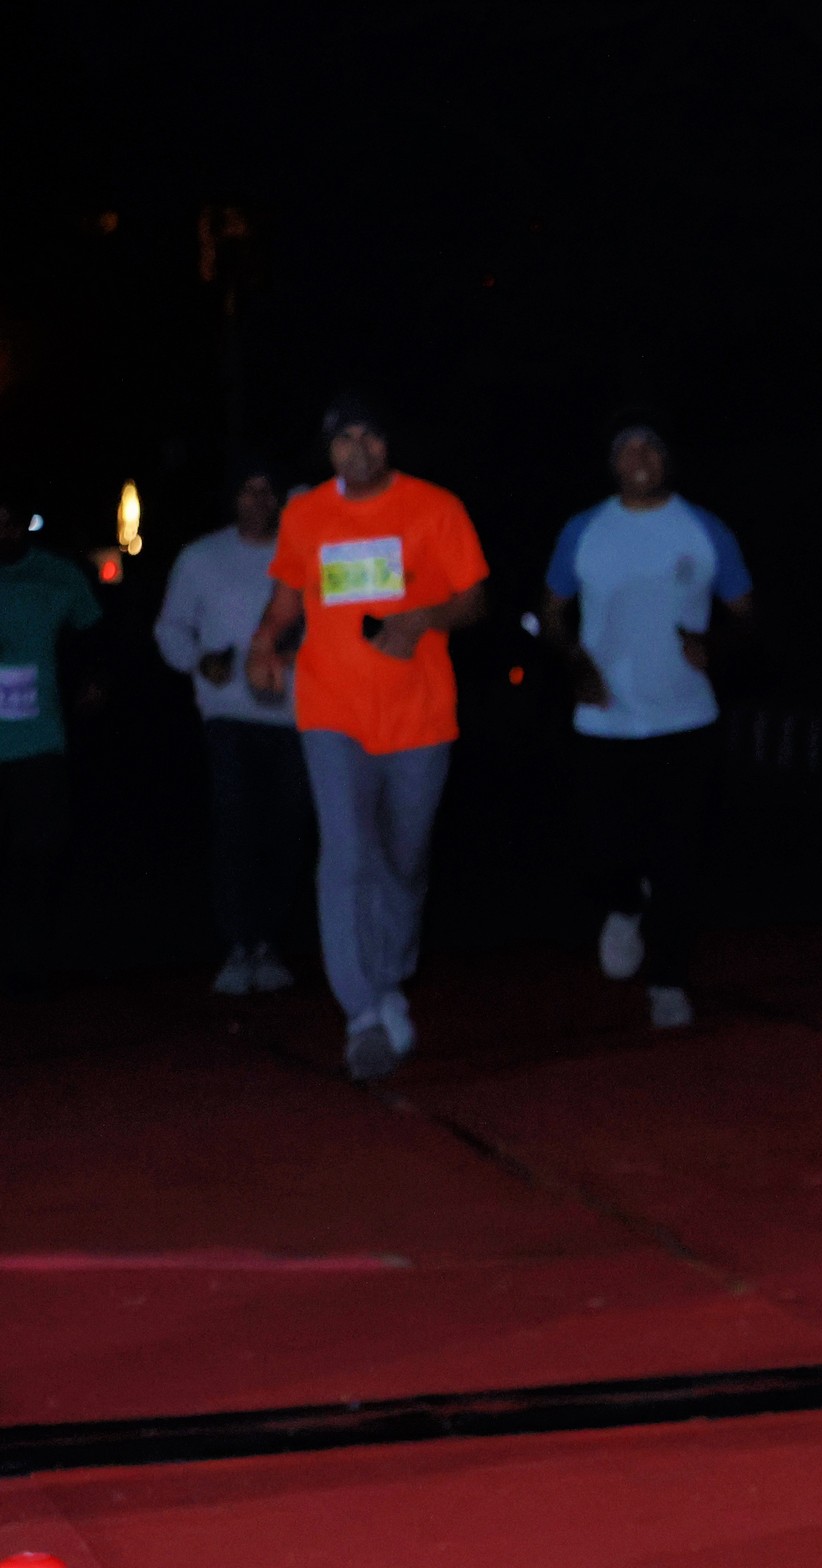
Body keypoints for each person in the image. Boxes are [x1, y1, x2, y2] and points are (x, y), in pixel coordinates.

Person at [247, 395, 488, 1080]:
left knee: (402, 861)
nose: (358, 449)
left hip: (419, 715)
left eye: (370, 437)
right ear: (329, 452)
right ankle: (362, 1012)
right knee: (347, 854)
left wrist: (423, 619)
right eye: (343, 438)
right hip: (331, 710)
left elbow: (474, 599)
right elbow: (288, 595)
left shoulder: (435, 508)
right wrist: (264, 641)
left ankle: (389, 980)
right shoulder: (306, 515)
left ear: (388, 445)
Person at [540, 425, 752, 1030]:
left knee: (678, 856)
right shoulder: (583, 530)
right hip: (603, 722)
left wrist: (716, 645)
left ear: (668, 459)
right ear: (612, 463)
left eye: (651, 446)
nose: (640, 458)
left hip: (685, 720)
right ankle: (625, 904)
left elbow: (745, 613)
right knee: (603, 850)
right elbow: (551, 613)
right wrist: (576, 662)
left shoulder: (705, 529)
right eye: (627, 448)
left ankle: (668, 981)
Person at [155, 464, 309, 994]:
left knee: (286, 828)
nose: (258, 500)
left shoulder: (301, 553)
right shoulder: (201, 557)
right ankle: (237, 945)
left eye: (268, 491)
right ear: (233, 497)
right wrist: (200, 660)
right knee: (236, 826)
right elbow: (171, 628)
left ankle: (269, 942)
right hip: (228, 714)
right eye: (248, 490)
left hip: (293, 715)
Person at [0, 476, 103, 998]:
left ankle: (32, 964)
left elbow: (95, 635)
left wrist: (93, 681)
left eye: (10, 522)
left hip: (40, 740)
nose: (3, 531)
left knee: (40, 852)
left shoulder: (57, 575)